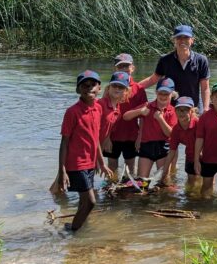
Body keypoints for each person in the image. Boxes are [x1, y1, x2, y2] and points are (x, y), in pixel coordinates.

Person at [52, 71, 112, 232]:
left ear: (99, 88)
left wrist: (101, 162)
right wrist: (62, 170)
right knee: (91, 201)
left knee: (83, 201)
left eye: (93, 85)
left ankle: (77, 226)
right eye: (84, 86)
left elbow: (95, 140)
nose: (89, 89)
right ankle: (73, 231)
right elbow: (64, 142)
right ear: (78, 90)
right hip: (76, 164)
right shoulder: (72, 112)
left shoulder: (98, 109)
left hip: (90, 164)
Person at [140, 25, 210, 113]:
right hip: (171, 109)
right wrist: (133, 87)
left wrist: (206, 108)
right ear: (174, 40)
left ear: (192, 40)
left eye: (186, 37)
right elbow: (153, 79)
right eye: (179, 38)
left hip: (193, 108)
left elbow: (205, 88)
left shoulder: (201, 60)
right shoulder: (165, 60)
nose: (182, 40)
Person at [124, 77, 178, 179]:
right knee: (142, 181)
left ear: (172, 94)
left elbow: (170, 134)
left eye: (166, 94)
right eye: (160, 93)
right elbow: (126, 116)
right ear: (156, 92)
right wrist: (139, 111)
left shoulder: (173, 111)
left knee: (164, 181)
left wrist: (161, 119)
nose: (163, 96)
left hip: (164, 148)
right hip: (146, 148)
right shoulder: (147, 106)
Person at [107, 53, 149, 176]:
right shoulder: (111, 87)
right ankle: (111, 187)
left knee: (130, 165)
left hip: (131, 135)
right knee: (112, 165)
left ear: (133, 68)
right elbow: (106, 115)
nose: (125, 69)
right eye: (121, 66)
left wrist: (140, 136)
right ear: (116, 68)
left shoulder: (139, 89)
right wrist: (106, 137)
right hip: (113, 135)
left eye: (127, 66)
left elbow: (144, 115)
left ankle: (130, 186)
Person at [97, 70, 129, 175]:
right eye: (114, 85)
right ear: (108, 88)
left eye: (121, 87)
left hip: (99, 148)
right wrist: (100, 161)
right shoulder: (100, 105)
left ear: (126, 91)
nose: (117, 89)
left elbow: (107, 128)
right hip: (90, 147)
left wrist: (107, 138)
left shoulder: (118, 110)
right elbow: (94, 132)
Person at [167, 96, 199, 186]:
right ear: (175, 111)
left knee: (205, 182)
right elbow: (171, 152)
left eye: (186, 110)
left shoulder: (198, 124)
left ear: (191, 111)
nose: (182, 113)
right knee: (191, 184)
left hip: (204, 157)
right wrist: (164, 173)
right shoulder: (176, 130)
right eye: (179, 110)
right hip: (189, 157)